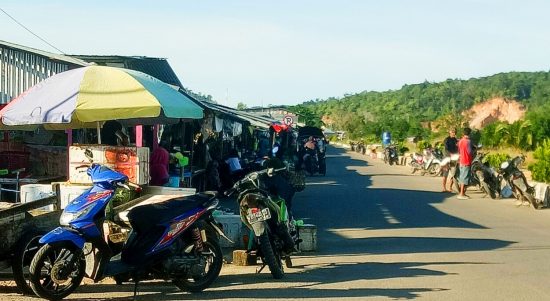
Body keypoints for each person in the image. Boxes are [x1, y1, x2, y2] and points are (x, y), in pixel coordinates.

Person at [457, 127, 473, 199]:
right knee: (464, 178)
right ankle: (461, 194)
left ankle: (462, 192)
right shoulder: (468, 141)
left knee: (462, 177)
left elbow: (459, 151)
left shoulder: (460, 141)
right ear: (469, 133)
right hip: (466, 161)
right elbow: (469, 152)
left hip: (461, 160)